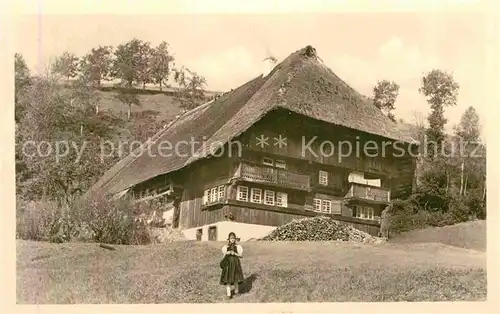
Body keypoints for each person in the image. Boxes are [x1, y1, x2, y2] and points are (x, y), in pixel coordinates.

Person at [220, 232, 244, 299]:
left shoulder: (238, 247)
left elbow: (241, 256)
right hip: (228, 264)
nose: (232, 240)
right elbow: (223, 256)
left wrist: (235, 253)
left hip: (236, 264)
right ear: (229, 239)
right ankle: (228, 294)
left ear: (235, 239)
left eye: (233, 238)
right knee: (228, 279)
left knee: (236, 278)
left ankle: (236, 292)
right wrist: (227, 253)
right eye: (231, 238)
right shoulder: (226, 247)